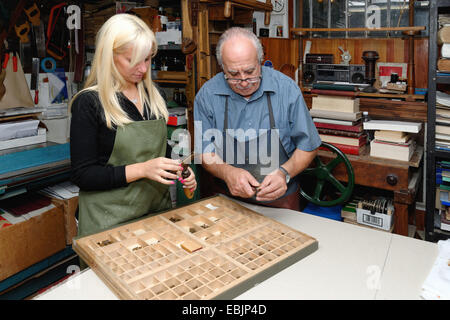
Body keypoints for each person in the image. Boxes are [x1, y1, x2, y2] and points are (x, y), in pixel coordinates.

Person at [70, 14, 196, 237]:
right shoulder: (89, 102)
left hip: (155, 213)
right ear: (109, 56)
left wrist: (180, 170)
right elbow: (84, 175)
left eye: (147, 59)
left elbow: (157, 149)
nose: (143, 69)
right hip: (108, 222)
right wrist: (143, 169)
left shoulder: (153, 95)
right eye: (132, 60)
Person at [194, 27, 321, 210]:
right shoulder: (207, 95)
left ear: (260, 61)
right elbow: (204, 153)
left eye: (250, 71)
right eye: (234, 75)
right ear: (222, 67)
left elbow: (308, 146)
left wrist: (284, 173)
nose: (244, 81)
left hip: (280, 200)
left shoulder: (286, 90)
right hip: (227, 199)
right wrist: (227, 172)